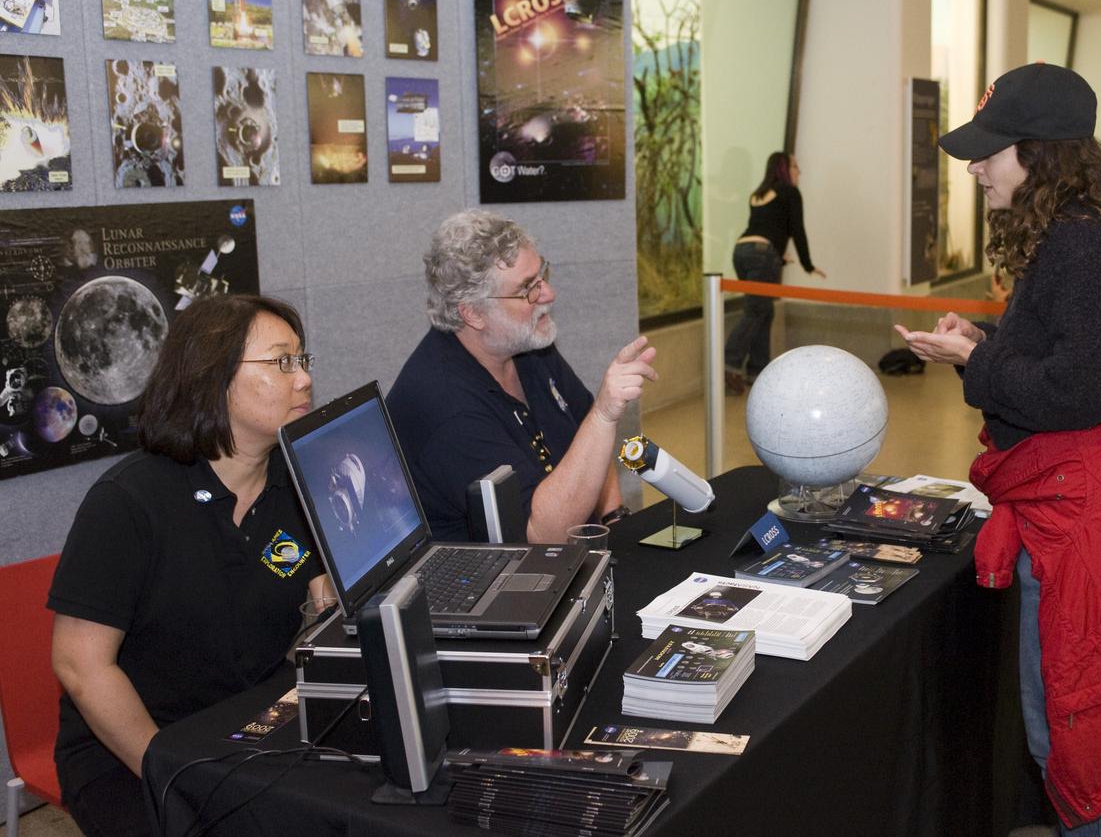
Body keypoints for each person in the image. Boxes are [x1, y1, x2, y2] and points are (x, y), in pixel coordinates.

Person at [893, 63, 1101, 836]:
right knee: (1063, 734)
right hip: (1065, 505)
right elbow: (1065, 355)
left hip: (1085, 521)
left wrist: (975, 361)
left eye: (990, 152)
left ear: (1041, 154)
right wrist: (986, 341)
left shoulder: (1086, 250)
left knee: (1073, 740)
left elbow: (1082, 391)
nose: (975, 168)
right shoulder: (1070, 239)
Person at [46, 294, 332, 837]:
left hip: (253, 723)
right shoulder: (128, 502)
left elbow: (305, 581)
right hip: (136, 749)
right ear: (213, 377)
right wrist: (167, 771)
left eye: (302, 361)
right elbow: (81, 667)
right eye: (280, 363)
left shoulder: (296, 484)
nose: (303, 381)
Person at [387, 209, 657, 544]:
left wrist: (614, 518)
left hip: (578, 557)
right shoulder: (443, 404)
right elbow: (540, 536)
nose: (548, 294)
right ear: (472, 313)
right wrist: (604, 415)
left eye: (541, 274)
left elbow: (585, 431)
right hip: (504, 581)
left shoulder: (525, 344)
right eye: (527, 288)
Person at [723, 151, 826, 395]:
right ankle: (729, 362)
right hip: (761, 254)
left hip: (742, 251)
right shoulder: (790, 192)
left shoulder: (757, 195)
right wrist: (807, 265)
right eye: (794, 166)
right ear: (782, 169)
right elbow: (796, 230)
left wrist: (777, 256)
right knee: (756, 310)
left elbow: (768, 227)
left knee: (764, 311)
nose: (798, 171)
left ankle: (758, 371)